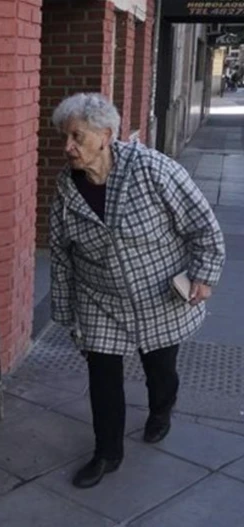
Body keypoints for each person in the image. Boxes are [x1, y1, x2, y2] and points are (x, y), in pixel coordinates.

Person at [48, 93, 226, 489]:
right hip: (100, 298)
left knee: (160, 369)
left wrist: (203, 274)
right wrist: (66, 311)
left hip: (158, 292)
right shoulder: (66, 187)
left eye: (77, 136)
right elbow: (60, 253)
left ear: (106, 135)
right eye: (65, 137)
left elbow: (203, 225)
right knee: (102, 376)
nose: (68, 147)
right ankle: (107, 452)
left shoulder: (153, 169)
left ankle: (161, 410)